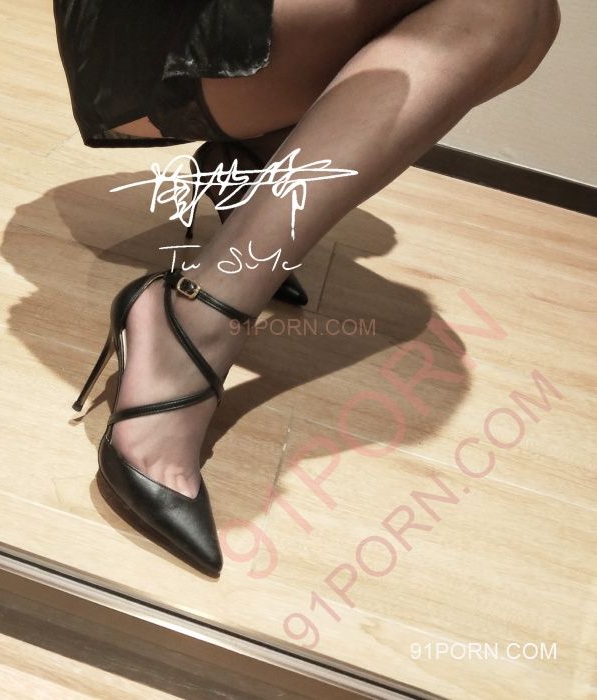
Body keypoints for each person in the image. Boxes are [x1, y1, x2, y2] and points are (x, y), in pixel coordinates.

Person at [54, 0, 561, 576]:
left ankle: (250, 169)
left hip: (244, 46)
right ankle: (195, 317)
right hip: (149, 42)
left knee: (530, 16)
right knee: (495, 9)